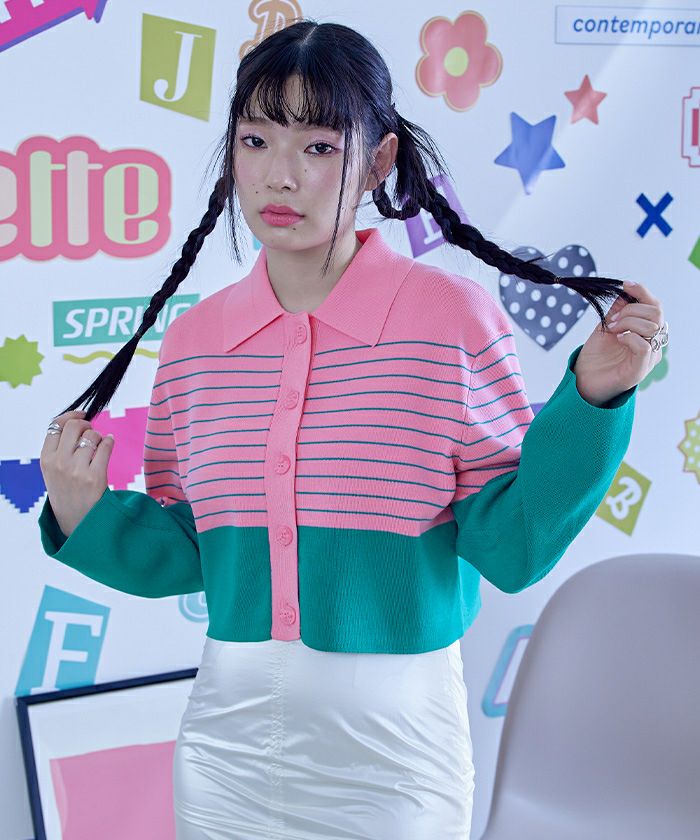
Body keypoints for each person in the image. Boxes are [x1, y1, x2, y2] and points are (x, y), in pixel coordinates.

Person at [37, 18, 667, 840]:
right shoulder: (196, 342)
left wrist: (593, 402)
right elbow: (195, 547)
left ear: (379, 160)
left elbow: (511, 546)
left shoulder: (449, 320)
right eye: (256, 141)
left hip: (394, 760)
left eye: (319, 147)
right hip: (227, 752)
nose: (280, 175)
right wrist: (86, 513)